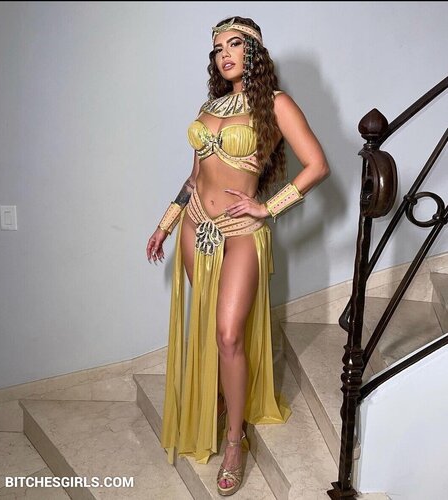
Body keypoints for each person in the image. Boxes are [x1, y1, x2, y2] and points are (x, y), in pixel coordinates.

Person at [146, 16, 330, 496]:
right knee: (211, 325)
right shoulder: (209, 107)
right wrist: (166, 223)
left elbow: (318, 165)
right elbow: (195, 179)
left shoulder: (276, 104)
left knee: (229, 333)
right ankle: (223, 399)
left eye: (234, 44)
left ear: (254, 52)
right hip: (195, 228)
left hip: (241, 231)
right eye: (217, 48)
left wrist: (267, 208)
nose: (224, 54)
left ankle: (234, 442)